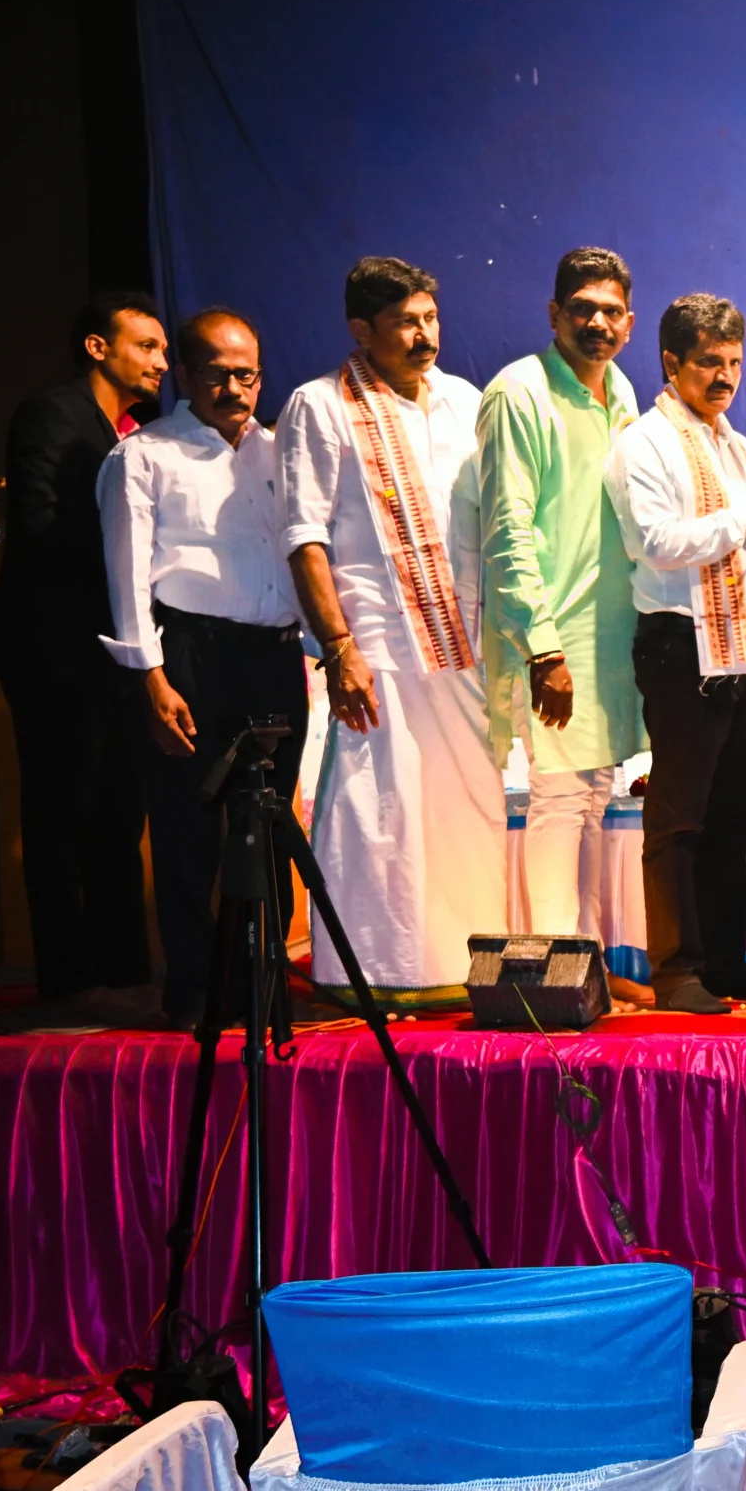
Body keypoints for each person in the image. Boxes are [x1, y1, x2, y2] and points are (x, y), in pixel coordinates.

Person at [281, 257, 504, 1001]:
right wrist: (339, 648)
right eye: (405, 322)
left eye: (430, 318)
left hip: (461, 640)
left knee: (466, 803)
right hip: (373, 641)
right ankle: (371, 973)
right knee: (380, 809)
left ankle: (461, 964)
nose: (424, 334)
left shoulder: (464, 400)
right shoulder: (320, 404)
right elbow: (304, 536)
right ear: (361, 329)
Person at [606, 293, 746, 1015]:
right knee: (680, 818)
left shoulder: (740, 446)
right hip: (681, 644)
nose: (725, 376)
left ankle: (726, 962)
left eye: (733, 361)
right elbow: (658, 544)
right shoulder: (643, 444)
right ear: (671, 363)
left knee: (733, 812)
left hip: (742, 645)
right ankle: (676, 971)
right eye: (708, 362)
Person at [98, 307, 305, 1028]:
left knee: (271, 830)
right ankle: (193, 989)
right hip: (190, 657)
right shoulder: (143, 455)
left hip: (275, 658)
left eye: (247, 374)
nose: (234, 388)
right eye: (217, 374)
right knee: (190, 832)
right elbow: (126, 575)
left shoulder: (280, 452)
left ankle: (263, 988)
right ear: (183, 376)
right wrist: (151, 678)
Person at [0, 292, 164, 1020]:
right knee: (63, 814)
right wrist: (143, 554)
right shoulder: (53, 415)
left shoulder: (136, 432)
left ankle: (123, 973)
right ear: (98, 347)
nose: (161, 362)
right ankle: (67, 982)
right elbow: (41, 525)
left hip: (114, 652)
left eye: (164, 349)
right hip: (56, 651)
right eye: (146, 346)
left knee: (117, 814)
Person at [476, 247, 647, 939]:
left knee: (594, 797)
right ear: (554, 314)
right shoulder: (518, 393)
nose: (597, 323)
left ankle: (589, 963)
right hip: (553, 637)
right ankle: (553, 969)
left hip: (613, 633)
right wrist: (542, 649)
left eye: (611, 311)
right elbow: (507, 530)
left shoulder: (622, 391)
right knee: (559, 801)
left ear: (629, 323)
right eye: (582, 309)